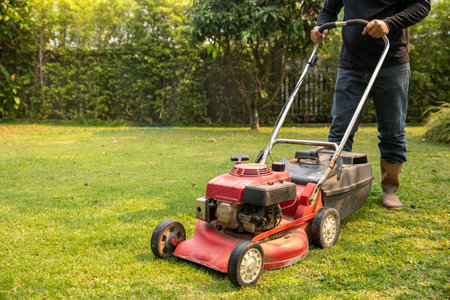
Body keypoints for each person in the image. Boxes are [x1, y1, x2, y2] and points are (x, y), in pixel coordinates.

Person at [311, 0, 430, 209]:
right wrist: (320, 26)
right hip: (351, 65)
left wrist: (389, 23)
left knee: (392, 131)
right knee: (341, 130)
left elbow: (421, 5)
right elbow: (329, 9)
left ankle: (390, 189)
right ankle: (334, 187)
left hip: (392, 63)